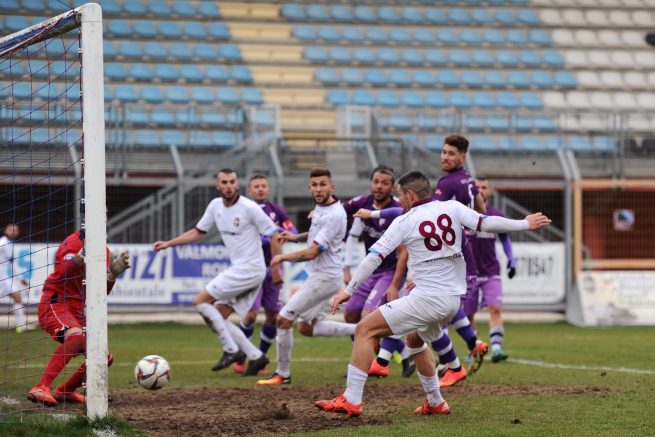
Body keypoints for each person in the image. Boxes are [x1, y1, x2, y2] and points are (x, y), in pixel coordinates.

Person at [316, 171, 550, 417]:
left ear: (410, 194)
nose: (399, 200)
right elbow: (485, 222)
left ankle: (351, 399)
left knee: (364, 329)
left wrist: (349, 290)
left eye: (399, 195)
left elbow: (374, 257)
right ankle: (436, 401)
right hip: (451, 302)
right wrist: (525, 223)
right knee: (414, 340)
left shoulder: (404, 221)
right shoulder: (452, 207)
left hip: (427, 299)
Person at [153, 168, 282, 376]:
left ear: (237, 184)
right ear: (218, 185)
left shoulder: (249, 208)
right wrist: (169, 243)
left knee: (200, 302)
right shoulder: (215, 206)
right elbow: (197, 232)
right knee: (218, 316)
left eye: (232, 182)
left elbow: (274, 234)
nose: (229, 186)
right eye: (224, 182)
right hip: (243, 269)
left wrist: (276, 269)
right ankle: (256, 356)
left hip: (250, 269)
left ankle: (230, 349)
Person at [256, 167, 356, 385]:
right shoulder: (322, 208)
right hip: (324, 276)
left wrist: (282, 257)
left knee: (283, 319)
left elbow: (312, 252)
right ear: (309, 187)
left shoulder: (334, 215)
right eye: (315, 185)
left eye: (323, 184)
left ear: (331, 187)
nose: (318, 189)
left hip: (324, 278)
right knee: (306, 328)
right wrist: (295, 237)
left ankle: (282, 374)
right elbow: (315, 236)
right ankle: (362, 331)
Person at [27, 229, 130, 406]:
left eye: (106, 216)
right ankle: (41, 386)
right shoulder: (71, 243)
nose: (104, 218)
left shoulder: (104, 251)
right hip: (56, 302)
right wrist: (78, 259)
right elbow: (60, 275)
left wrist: (112, 275)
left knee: (104, 357)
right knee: (76, 338)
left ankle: (66, 391)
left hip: (77, 311)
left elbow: (99, 293)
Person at [341, 166, 413, 378]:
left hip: (390, 272)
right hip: (371, 271)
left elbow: (404, 251)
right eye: (376, 182)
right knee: (350, 313)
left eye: (384, 183)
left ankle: (365, 367)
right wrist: (347, 267)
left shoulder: (398, 209)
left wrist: (395, 284)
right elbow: (352, 235)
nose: (379, 186)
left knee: (368, 316)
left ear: (392, 187)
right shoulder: (362, 205)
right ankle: (403, 354)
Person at [232, 173, 298, 375]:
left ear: (268, 189)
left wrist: (283, 235)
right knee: (250, 315)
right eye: (256, 186)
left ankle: (259, 358)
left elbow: (292, 230)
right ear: (249, 191)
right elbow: (242, 237)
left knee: (272, 316)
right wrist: (270, 238)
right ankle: (242, 355)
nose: (260, 189)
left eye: (263, 186)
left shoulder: (276, 211)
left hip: (274, 268)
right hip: (252, 268)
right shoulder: (245, 211)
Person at [467, 178, 516, 363]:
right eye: (477, 187)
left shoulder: (495, 215)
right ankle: (473, 347)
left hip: (491, 272)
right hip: (469, 274)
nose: (480, 190)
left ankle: (496, 348)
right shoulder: (464, 214)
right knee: (468, 314)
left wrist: (511, 259)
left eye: (484, 187)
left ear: (490, 191)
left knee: (495, 308)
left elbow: (505, 238)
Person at [0, 224, 28, 333]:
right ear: (5, 231)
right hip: (1, 277)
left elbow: (11, 263)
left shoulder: (8, 243)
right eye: (11, 229)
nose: (14, 231)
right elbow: (12, 263)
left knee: (17, 296)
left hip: (4, 276)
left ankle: (21, 326)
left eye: (16, 230)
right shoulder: (3, 243)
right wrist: (21, 277)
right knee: (17, 296)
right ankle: (21, 326)